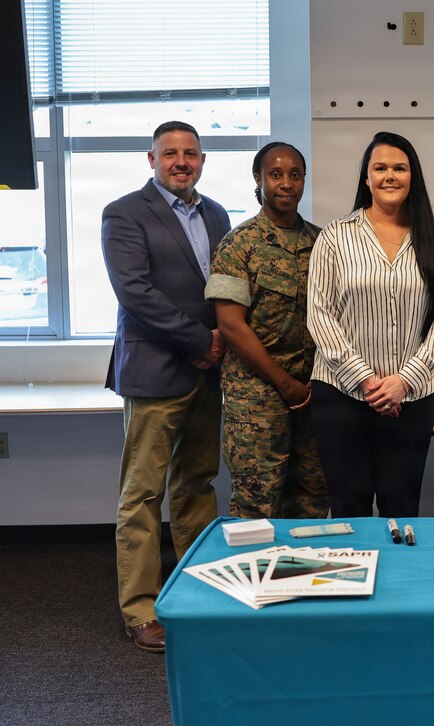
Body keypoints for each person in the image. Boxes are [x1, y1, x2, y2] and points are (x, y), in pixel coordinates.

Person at [102, 120, 229, 652]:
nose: (182, 161)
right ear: (150, 160)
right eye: (170, 153)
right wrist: (201, 341)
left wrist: (223, 344)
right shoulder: (124, 212)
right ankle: (140, 611)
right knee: (143, 494)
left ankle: (197, 590)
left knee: (197, 485)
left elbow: (225, 287)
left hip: (210, 372)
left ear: (202, 160)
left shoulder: (217, 213)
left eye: (191, 154)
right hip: (157, 371)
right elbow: (136, 293)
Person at [307, 131, 434, 518]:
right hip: (340, 395)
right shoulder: (335, 237)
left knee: (402, 504)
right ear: (366, 178)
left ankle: (400, 580)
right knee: (348, 507)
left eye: (399, 167)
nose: (389, 176)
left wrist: (402, 381)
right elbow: (319, 312)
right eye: (380, 168)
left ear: (413, 177)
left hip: (412, 397)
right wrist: (365, 380)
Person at [204, 142, 328, 520]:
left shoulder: (323, 243)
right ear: (258, 180)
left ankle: (302, 577)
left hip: (312, 391)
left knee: (312, 497)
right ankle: (252, 578)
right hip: (256, 396)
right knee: (257, 504)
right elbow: (230, 325)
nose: (286, 183)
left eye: (295, 175)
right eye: (275, 174)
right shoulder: (238, 245)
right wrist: (284, 383)